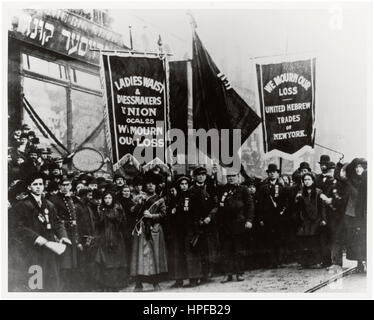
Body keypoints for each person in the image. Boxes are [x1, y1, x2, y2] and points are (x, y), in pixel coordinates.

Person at [9, 173, 67, 291]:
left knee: (52, 283)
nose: (38, 187)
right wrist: (35, 237)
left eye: (40, 184)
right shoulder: (21, 205)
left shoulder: (49, 205)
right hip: (32, 250)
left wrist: (63, 236)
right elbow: (17, 227)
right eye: (35, 184)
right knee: (35, 284)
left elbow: (57, 222)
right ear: (29, 187)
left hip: (50, 250)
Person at [130, 172, 168, 292]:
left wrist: (152, 215)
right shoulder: (140, 198)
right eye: (148, 184)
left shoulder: (159, 200)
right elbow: (132, 212)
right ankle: (138, 283)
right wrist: (139, 204)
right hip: (141, 230)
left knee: (154, 257)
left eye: (153, 184)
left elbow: (163, 215)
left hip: (154, 230)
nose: (150, 186)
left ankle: (155, 283)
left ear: (156, 186)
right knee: (139, 257)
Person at [168, 175, 206, 288]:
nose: (183, 186)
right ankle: (179, 279)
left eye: (185, 184)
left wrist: (196, 228)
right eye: (181, 184)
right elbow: (171, 214)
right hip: (178, 230)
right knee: (178, 254)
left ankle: (193, 278)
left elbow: (197, 212)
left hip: (190, 229)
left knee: (191, 253)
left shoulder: (192, 196)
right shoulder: (175, 198)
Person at [218, 170, 254, 283]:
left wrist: (249, 220)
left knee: (239, 250)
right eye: (229, 176)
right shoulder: (222, 189)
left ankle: (239, 273)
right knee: (226, 250)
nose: (231, 178)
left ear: (238, 177)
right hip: (226, 225)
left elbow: (250, 205)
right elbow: (219, 206)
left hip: (239, 224)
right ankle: (227, 274)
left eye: (233, 176)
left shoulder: (243, 189)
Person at [49, 177, 82, 291]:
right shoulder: (53, 199)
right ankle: (63, 287)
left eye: (67, 185)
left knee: (72, 260)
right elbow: (55, 219)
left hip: (72, 232)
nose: (65, 187)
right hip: (63, 233)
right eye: (63, 185)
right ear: (59, 186)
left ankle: (71, 286)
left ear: (70, 186)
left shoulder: (72, 198)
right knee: (64, 260)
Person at [189, 166, 219, 284]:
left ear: (205, 176)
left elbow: (216, 205)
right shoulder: (191, 190)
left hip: (209, 224)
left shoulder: (211, 188)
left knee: (209, 249)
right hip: (196, 224)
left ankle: (207, 274)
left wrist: (209, 217)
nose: (201, 177)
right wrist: (196, 221)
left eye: (203, 175)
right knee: (197, 249)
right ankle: (199, 274)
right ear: (195, 176)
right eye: (198, 175)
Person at [93, 191, 128, 291]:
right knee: (105, 262)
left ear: (112, 199)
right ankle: (106, 285)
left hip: (116, 237)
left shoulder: (117, 208)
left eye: (109, 198)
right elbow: (97, 223)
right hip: (104, 238)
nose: (107, 200)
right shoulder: (100, 209)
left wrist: (106, 214)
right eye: (105, 198)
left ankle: (115, 286)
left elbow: (120, 221)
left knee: (116, 263)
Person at [257, 164, 287, 268]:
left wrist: (282, 212)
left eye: (274, 172)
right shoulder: (263, 187)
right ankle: (271, 261)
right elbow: (260, 203)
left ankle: (279, 260)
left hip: (279, 217)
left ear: (278, 174)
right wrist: (261, 218)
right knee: (269, 239)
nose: (272, 174)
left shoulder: (283, 186)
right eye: (270, 172)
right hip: (268, 217)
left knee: (279, 238)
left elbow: (286, 202)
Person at [341, 158, 367, 272]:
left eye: (360, 167)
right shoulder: (351, 181)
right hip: (354, 213)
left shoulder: (366, 180)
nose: (358, 169)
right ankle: (359, 263)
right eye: (356, 167)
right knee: (356, 239)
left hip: (364, 212)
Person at [295, 173, 326, 268]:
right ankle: (305, 262)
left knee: (314, 241)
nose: (307, 182)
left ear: (313, 180)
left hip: (316, 219)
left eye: (309, 179)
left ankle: (316, 261)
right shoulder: (300, 192)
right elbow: (298, 207)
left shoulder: (318, 192)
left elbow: (322, 207)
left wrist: (323, 219)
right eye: (305, 180)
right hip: (305, 220)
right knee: (305, 241)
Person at [319, 162, 347, 269]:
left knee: (337, 238)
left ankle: (337, 262)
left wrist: (330, 200)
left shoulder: (344, 184)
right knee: (332, 237)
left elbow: (342, 199)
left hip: (340, 215)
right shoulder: (335, 184)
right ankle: (334, 261)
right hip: (332, 215)